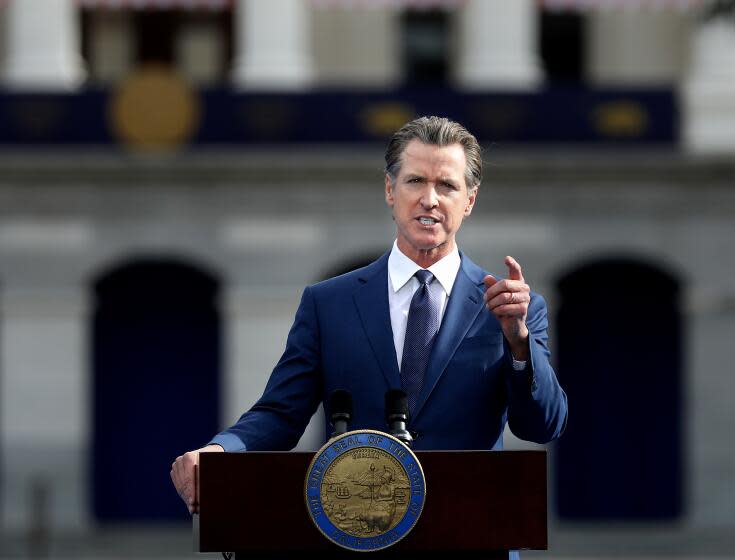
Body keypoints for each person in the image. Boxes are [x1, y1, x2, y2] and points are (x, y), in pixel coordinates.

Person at [171, 116, 568, 515]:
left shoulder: (513, 307)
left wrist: (518, 343)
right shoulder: (329, 303)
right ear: (390, 190)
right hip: (360, 533)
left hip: (473, 531)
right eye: (415, 181)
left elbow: (542, 426)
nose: (429, 198)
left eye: (446, 185)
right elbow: (280, 413)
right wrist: (219, 451)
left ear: (469, 200)